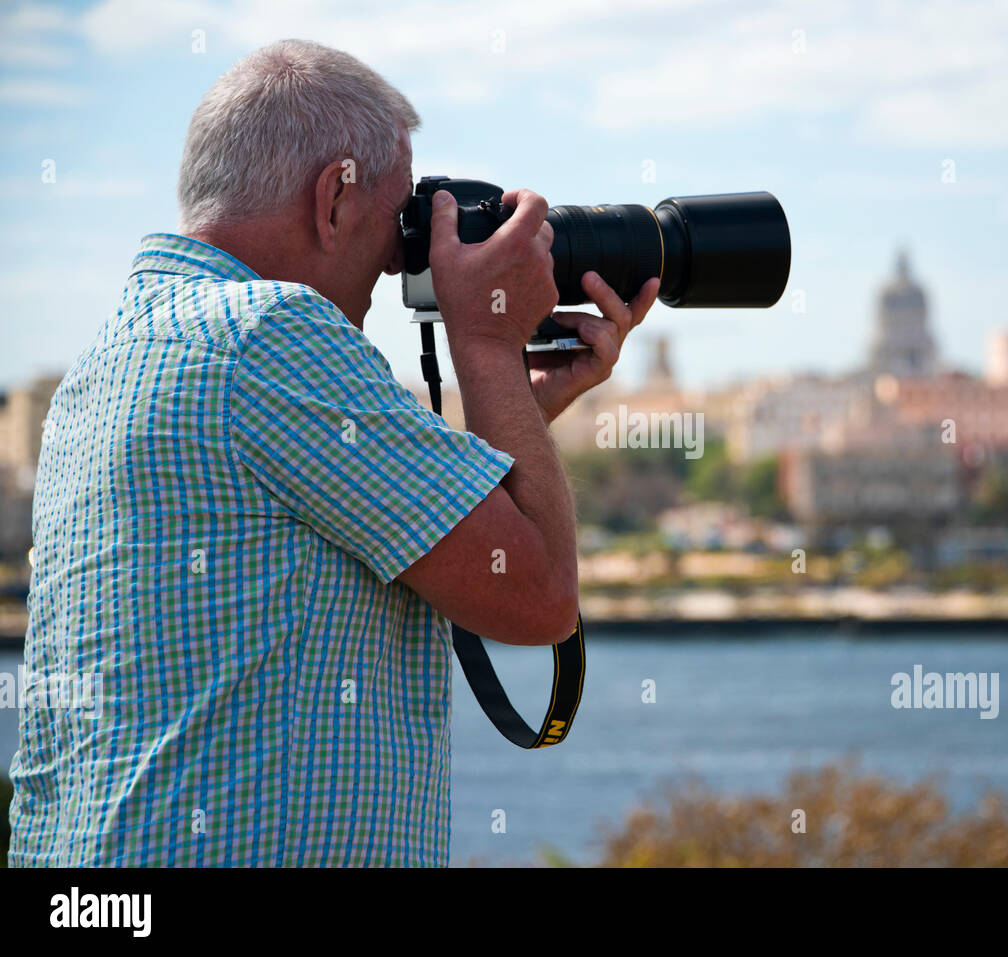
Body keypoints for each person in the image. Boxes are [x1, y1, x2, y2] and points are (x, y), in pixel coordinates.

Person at [7, 38, 657, 867]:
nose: (400, 260)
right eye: (398, 222)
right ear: (333, 196)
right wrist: (486, 343)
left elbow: (414, 529)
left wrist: (518, 407)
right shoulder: (273, 333)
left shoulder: (106, 366)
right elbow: (535, 598)